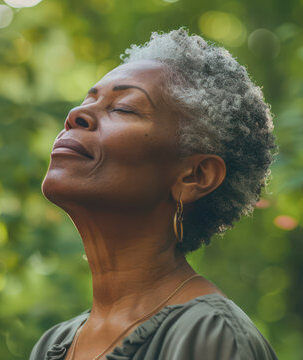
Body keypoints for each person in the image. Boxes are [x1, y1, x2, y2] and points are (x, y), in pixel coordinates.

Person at [30, 28, 278, 360]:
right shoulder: (53, 346)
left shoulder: (209, 336)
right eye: (87, 101)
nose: (76, 116)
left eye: (124, 108)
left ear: (195, 175)